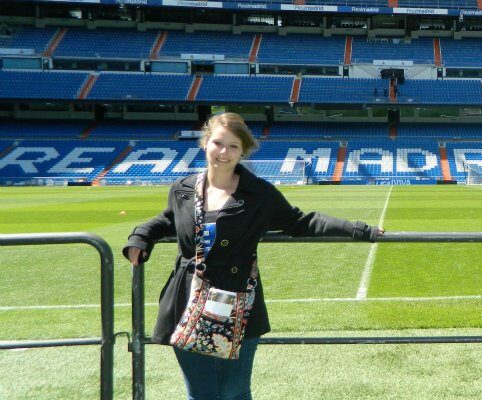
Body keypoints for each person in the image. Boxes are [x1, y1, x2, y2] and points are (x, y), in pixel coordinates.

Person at [123, 112, 382, 400]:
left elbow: (302, 222)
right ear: (205, 143)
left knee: (235, 392)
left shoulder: (259, 193)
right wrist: (141, 236)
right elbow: (166, 221)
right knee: (199, 393)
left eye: (233, 146)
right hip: (187, 301)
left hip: (236, 304)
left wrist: (358, 229)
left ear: (243, 150)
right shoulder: (182, 189)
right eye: (218, 143)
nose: (224, 152)